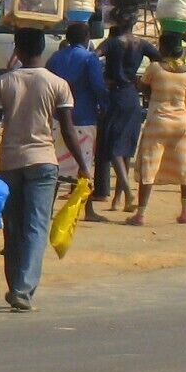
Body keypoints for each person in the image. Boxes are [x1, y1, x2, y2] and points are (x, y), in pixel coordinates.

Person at [0, 28, 91, 312]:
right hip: (43, 162)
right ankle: (23, 290)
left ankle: (16, 284)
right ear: (43, 50)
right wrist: (84, 166)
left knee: (12, 227)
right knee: (36, 226)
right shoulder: (57, 83)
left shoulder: (3, 83)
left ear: (17, 49)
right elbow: (67, 128)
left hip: (10, 162)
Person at [94, 9, 160, 212]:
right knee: (126, 145)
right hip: (132, 94)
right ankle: (117, 199)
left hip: (114, 94)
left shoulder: (112, 43)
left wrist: (102, 78)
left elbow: (93, 58)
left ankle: (129, 193)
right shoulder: (142, 44)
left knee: (112, 145)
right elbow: (160, 59)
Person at [128, 33, 186, 226]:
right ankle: (185, 212)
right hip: (181, 123)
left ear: (163, 48)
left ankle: (140, 214)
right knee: (185, 168)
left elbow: (143, 86)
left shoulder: (155, 68)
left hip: (158, 121)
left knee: (149, 166)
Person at [45, 22, 110, 222]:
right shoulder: (90, 59)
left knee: (56, 164)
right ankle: (86, 210)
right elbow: (98, 86)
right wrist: (105, 107)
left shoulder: (55, 58)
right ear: (87, 37)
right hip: (84, 118)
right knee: (83, 165)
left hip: (58, 118)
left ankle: (47, 209)